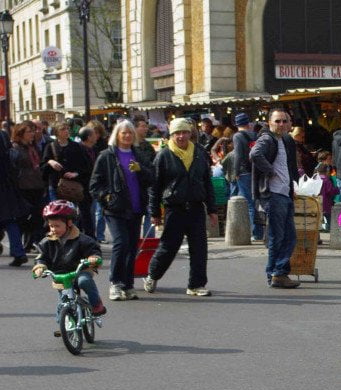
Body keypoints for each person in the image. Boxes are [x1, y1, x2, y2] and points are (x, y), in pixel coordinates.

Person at [144, 118, 217, 297]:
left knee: (199, 248)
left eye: (184, 132)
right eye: (177, 133)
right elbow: (154, 187)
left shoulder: (199, 153)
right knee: (168, 247)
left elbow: (207, 183)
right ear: (172, 135)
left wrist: (212, 209)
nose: (181, 136)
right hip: (174, 208)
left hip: (196, 207)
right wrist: (154, 212)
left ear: (191, 134)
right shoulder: (164, 155)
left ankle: (196, 285)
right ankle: (153, 275)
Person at [90, 120, 156, 301]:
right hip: (116, 208)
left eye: (130, 133)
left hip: (135, 208)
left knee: (132, 245)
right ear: (116, 135)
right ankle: (116, 283)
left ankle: (128, 284)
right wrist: (107, 198)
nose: (127, 136)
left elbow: (151, 178)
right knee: (121, 243)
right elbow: (95, 185)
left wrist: (140, 170)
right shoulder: (107, 156)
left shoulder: (139, 154)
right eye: (123, 133)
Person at [251, 109, 300, 289]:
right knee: (278, 236)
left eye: (284, 121)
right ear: (269, 123)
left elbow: (288, 167)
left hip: (283, 193)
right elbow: (255, 154)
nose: (281, 124)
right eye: (277, 121)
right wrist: (270, 171)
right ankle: (275, 273)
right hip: (273, 194)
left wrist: (291, 186)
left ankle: (279, 273)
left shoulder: (284, 140)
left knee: (288, 237)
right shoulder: (267, 139)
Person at [31, 200, 107, 317]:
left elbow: (93, 250)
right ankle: (65, 324)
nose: (53, 229)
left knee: (84, 281)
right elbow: (42, 257)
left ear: (69, 223)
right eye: (51, 226)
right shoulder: (46, 242)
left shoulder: (82, 239)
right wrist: (40, 266)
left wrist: (93, 258)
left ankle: (96, 303)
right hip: (61, 275)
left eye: (57, 226)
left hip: (80, 270)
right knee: (63, 303)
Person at [9, 121, 47, 253]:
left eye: (33, 131)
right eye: (29, 131)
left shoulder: (34, 147)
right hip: (23, 187)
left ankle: (30, 242)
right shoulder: (15, 149)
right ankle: (20, 245)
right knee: (23, 217)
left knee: (38, 216)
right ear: (21, 134)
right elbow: (13, 170)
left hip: (37, 186)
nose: (33, 133)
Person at [1, 126, 29, 266]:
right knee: (10, 221)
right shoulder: (3, 136)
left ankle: (18, 252)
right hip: (7, 186)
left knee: (9, 221)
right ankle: (19, 252)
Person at [230, 113, 260, 240]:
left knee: (249, 203)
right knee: (257, 202)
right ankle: (259, 230)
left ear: (237, 124)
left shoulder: (237, 136)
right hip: (255, 171)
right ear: (248, 123)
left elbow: (238, 155)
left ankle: (255, 232)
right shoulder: (255, 135)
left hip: (243, 171)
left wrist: (235, 172)